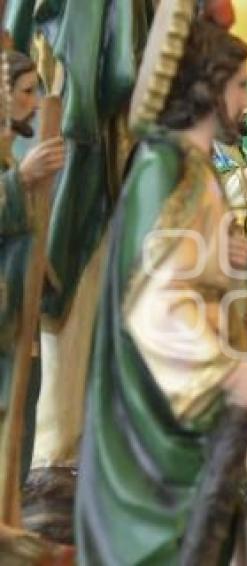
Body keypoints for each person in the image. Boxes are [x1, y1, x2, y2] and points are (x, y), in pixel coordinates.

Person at [75, 13, 247, 563]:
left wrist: (223, 256)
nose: (246, 100)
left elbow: (181, 262)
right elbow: (155, 302)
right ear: (207, 86)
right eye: (239, 85)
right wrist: (231, 374)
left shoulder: (193, 167)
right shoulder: (164, 165)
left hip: (185, 414)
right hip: (160, 423)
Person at [0, 49, 65, 519]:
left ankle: (11, 504)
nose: (35, 103)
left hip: (19, 310)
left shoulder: (9, 153)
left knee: (22, 409)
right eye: (26, 92)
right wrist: (20, 181)